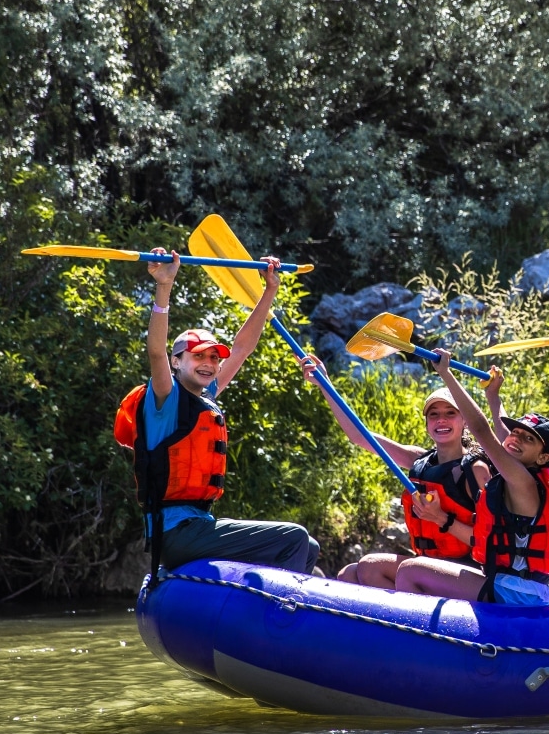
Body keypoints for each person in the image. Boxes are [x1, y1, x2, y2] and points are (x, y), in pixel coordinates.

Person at [113, 249, 320, 577]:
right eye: (198, 357)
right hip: (175, 535)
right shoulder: (165, 399)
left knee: (307, 546)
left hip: (199, 526)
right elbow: (155, 351)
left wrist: (270, 291)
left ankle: (269, 602)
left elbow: (242, 349)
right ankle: (285, 614)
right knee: (292, 536)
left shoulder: (204, 396)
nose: (209, 364)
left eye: (213, 358)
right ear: (177, 361)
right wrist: (163, 287)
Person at [392, 352, 549, 604]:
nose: (515, 440)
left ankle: (422, 642)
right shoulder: (517, 466)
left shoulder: (523, 482)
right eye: (515, 433)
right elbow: (505, 436)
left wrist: (446, 374)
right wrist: (493, 396)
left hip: (518, 593)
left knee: (411, 571)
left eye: (529, 439)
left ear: (543, 457)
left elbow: (482, 431)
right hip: (505, 584)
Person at [301, 356, 502, 589]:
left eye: (450, 413)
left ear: (464, 420)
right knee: (349, 574)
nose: (441, 420)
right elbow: (360, 437)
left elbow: (494, 542)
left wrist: (440, 518)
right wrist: (325, 384)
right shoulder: (419, 460)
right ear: (427, 423)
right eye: (434, 414)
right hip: (431, 566)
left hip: (471, 572)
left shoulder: (476, 470)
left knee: (372, 565)